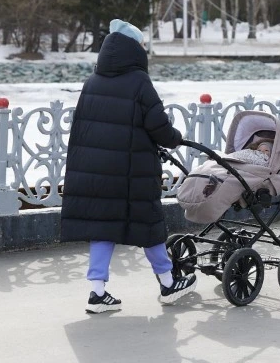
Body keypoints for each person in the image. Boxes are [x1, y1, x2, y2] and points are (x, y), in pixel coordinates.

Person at [61, 19, 196, 314]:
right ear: (134, 49)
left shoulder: (92, 82)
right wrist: (175, 139)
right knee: (149, 224)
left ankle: (97, 293)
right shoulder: (139, 82)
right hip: (131, 172)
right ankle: (168, 282)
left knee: (102, 228)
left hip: (95, 173)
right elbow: (158, 126)